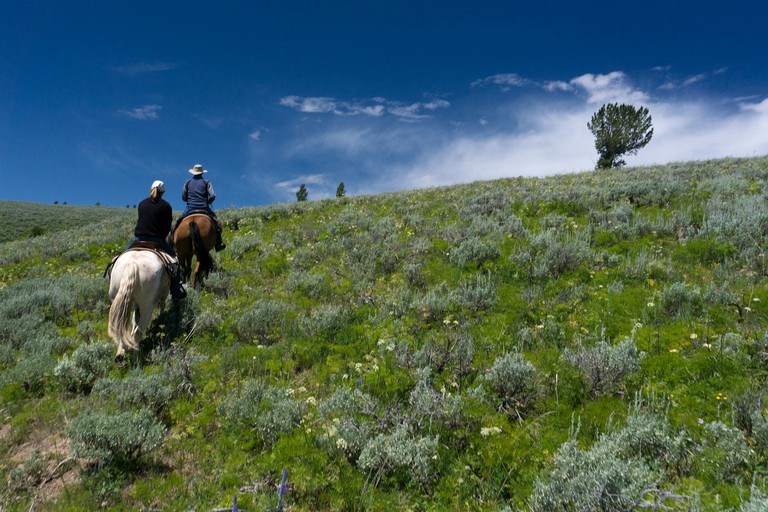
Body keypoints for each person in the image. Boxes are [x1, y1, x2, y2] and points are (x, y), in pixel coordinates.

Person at [127, 180, 187, 300]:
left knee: (119, 257)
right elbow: (167, 227)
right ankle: (176, 291)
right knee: (175, 261)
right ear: (163, 193)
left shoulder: (142, 204)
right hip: (157, 240)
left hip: (138, 238)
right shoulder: (166, 206)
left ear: (151, 189)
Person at [178, 163, 226, 251]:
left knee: (178, 222)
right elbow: (212, 195)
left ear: (193, 172)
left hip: (190, 208)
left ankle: (172, 243)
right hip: (204, 208)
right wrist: (209, 201)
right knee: (217, 224)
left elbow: (184, 197)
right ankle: (218, 244)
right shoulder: (206, 182)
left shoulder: (187, 182)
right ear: (202, 173)